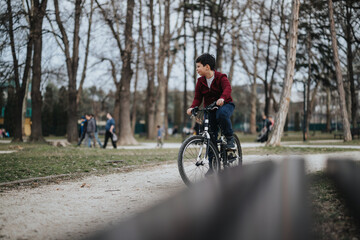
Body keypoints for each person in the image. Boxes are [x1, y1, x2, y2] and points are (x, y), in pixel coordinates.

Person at [187, 53, 235, 149]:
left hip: (225, 104)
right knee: (210, 132)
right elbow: (197, 98)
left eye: (198, 66)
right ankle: (212, 160)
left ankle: (230, 138)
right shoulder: (200, 81)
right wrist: (192, 107)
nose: (197, 69)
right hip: (210, 109)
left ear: (207, 67)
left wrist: (222, 98)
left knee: (221, 114)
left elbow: (227, 88)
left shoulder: (221, 77)